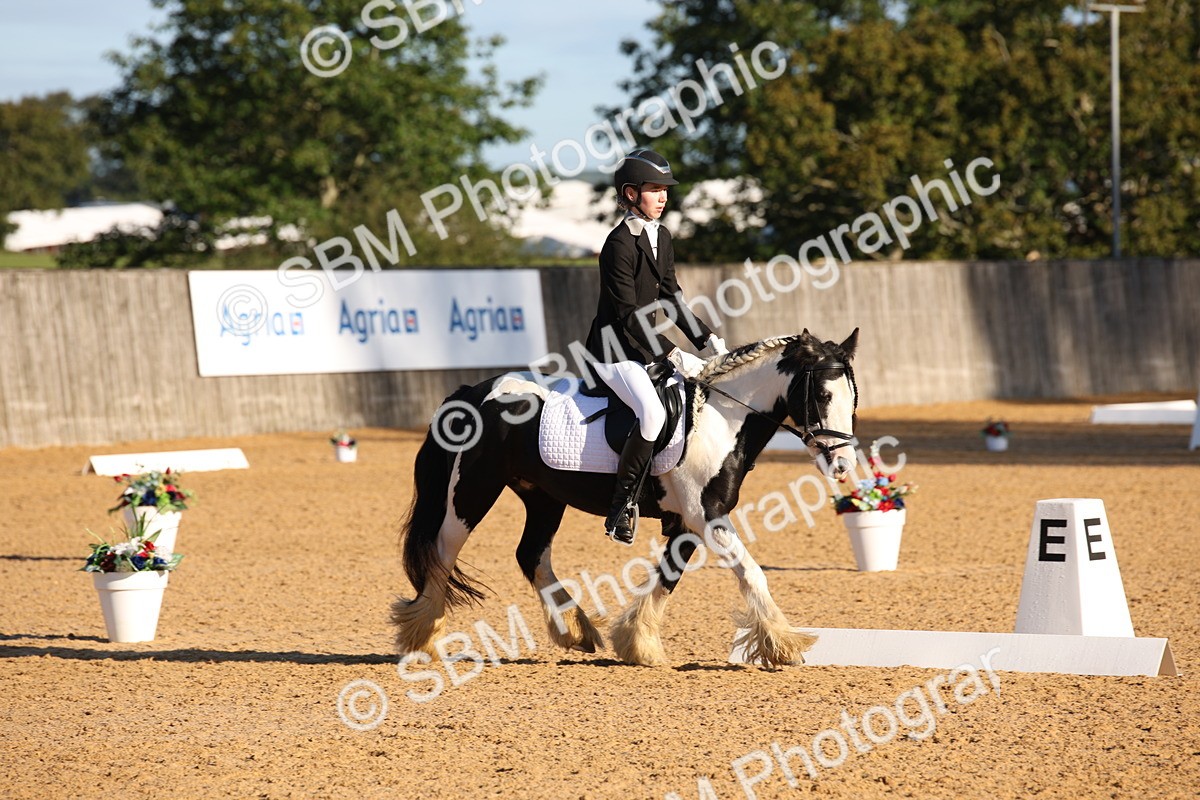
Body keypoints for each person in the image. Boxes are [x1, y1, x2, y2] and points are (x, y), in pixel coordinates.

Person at [583, 148, 727, 545]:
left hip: (643, 347)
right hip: (614, 349)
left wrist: (707, 340)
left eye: (666, 190)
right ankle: (621, 506)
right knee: (649, 413)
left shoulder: (661, 235)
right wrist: (670, 352)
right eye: (654, 190)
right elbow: (628, 313)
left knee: (687, 403)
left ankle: (669, 501)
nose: (664, 197)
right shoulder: (618, 244)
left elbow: (671, 299)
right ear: (631, 194)